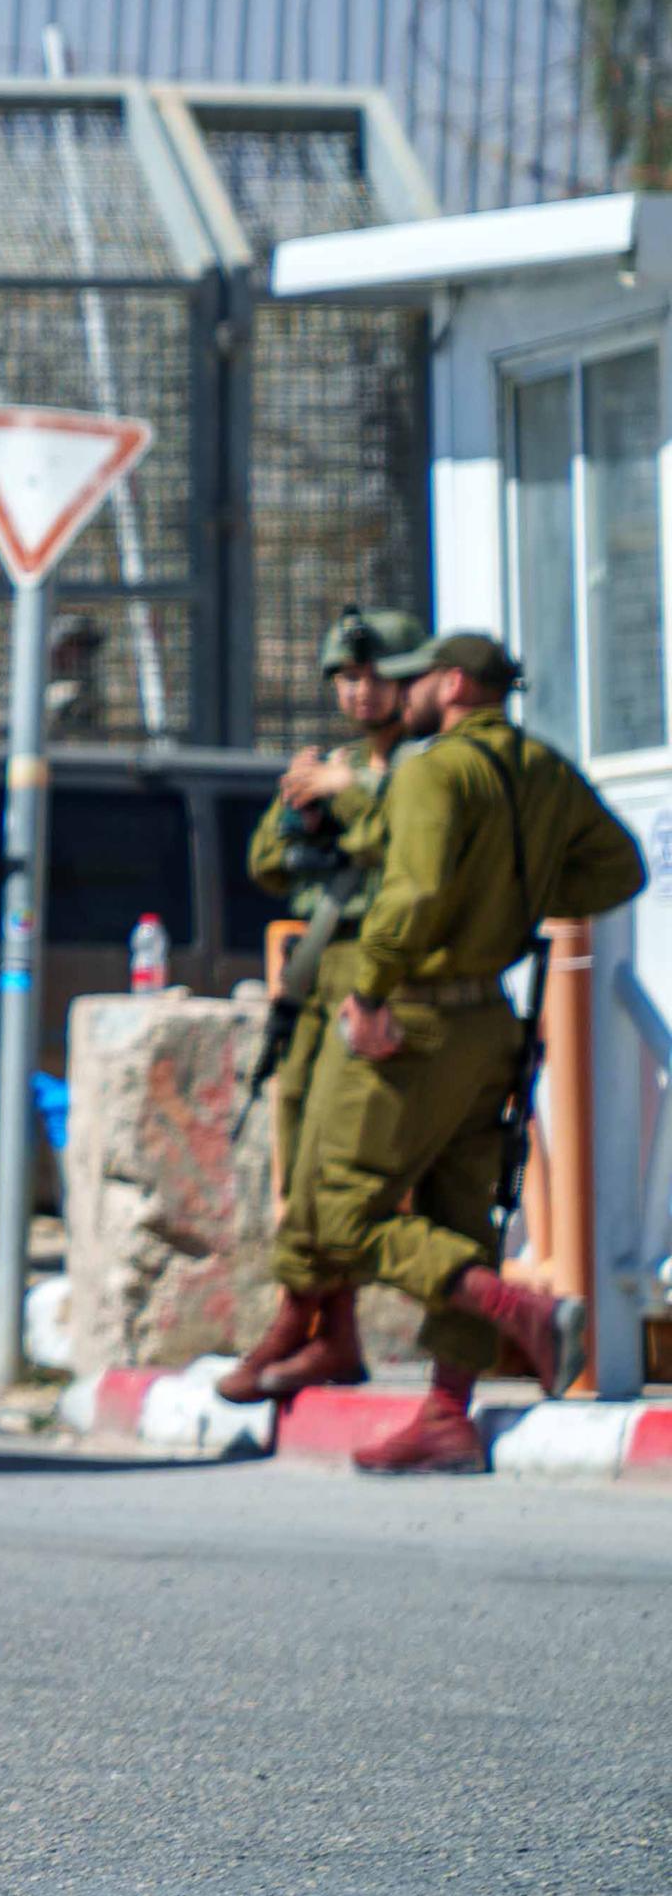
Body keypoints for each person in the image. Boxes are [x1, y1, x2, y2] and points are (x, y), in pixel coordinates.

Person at [284, 633, 643, 1475]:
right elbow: (616, 869)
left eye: (412, 678)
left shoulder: (431, 769)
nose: (398, 692)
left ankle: (513, 1305)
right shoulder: (544, 769)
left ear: (451, 684)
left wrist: (369, 989)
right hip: (492, 1021)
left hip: (416, 1021)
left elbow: (411, 894)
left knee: (339, 1213)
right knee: (461, 1214)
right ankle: (447, 1412)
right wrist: (518, 899)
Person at [215, 605, 421, 1405]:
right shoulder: (341, 763)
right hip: (320, 971)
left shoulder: (424, 767)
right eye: (346, 677)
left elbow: (414, 849)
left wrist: (355, 793)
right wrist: (303, 807)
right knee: (300, 1141)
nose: (359, 691)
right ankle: (329, 1331)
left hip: (386, 970)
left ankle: (308, 1321)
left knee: (343, 1163)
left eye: (372, 675)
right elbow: (269, 863)